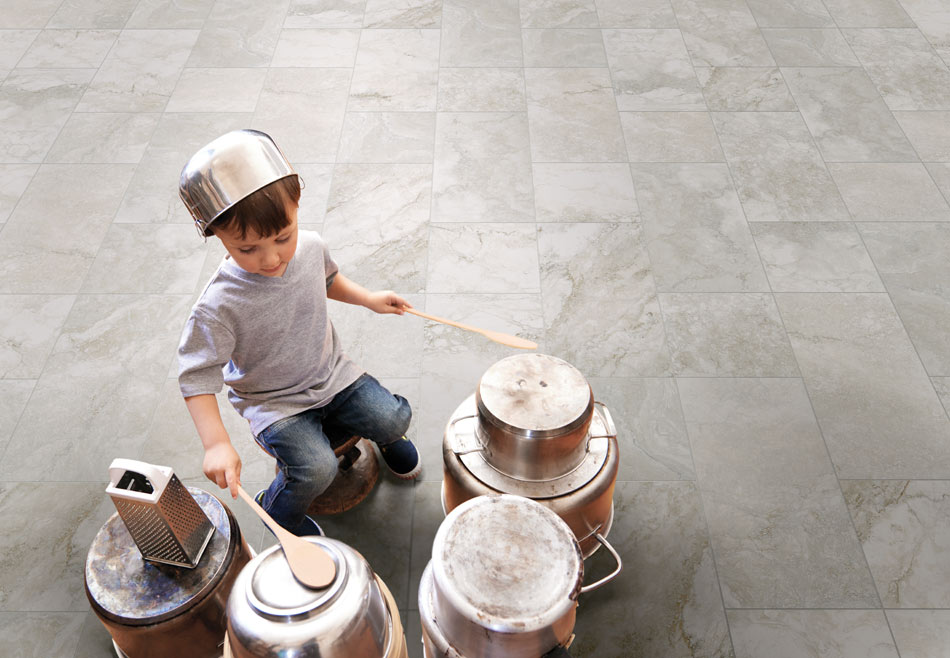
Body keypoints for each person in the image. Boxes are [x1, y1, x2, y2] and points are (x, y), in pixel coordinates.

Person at [176, 129, 420, 537]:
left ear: (297, 205)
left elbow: (327, 280)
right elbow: (195, 376)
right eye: (247, 248)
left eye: (282, 237)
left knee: (394, 418)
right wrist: (216, 442)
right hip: (276, 404)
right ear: (217, 234)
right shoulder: (217, 307)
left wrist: (368, 299)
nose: (270, 258)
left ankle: (387, 435)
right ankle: (280, 515)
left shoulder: (309, 247)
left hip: (330, 374)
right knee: (315, 469)